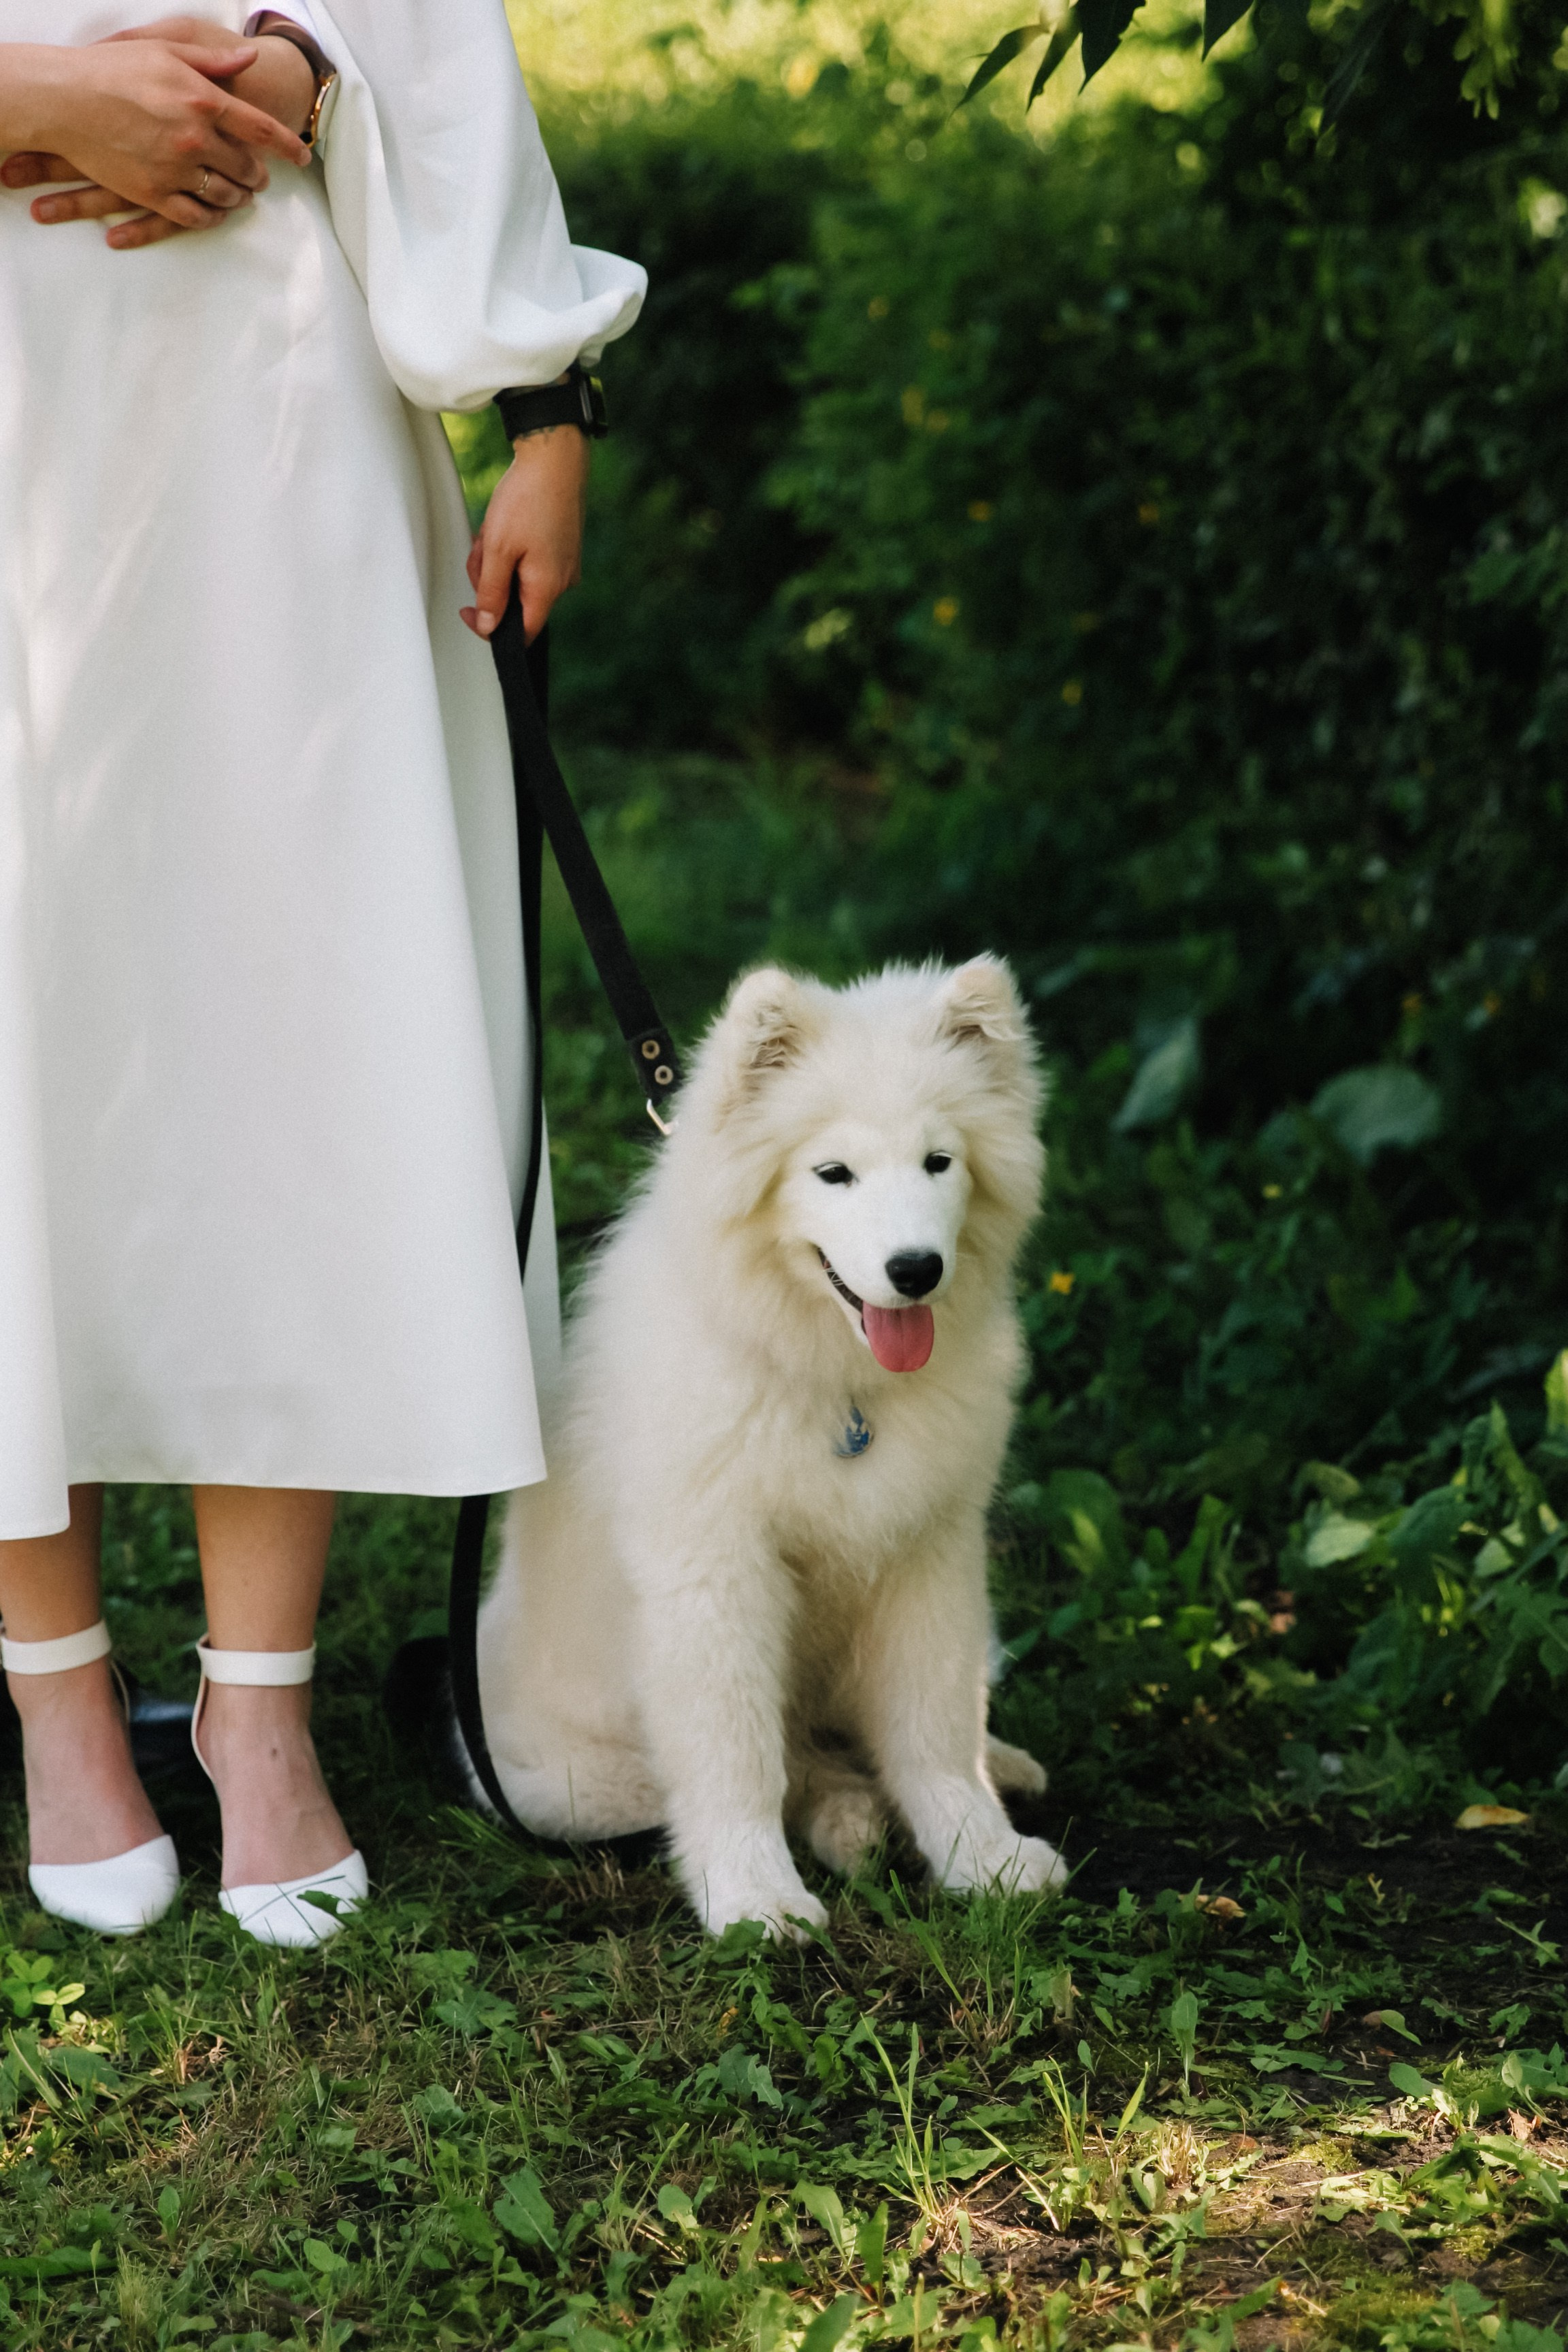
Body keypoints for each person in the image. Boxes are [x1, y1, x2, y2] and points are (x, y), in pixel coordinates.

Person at [0, 4, 644, 1946]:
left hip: (278, 436)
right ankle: (57, 1701)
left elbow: (428, 25)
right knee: (23, 1047)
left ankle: (257, 1707)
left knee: (285, 1025)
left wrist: (544, 406)